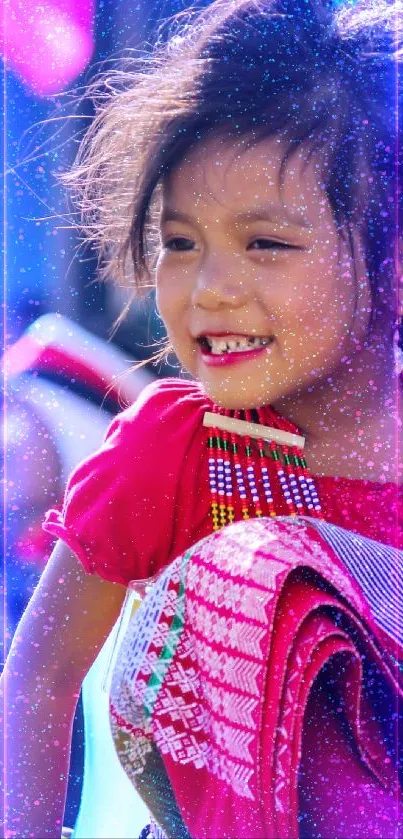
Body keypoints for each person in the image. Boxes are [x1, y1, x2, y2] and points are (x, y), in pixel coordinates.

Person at [1, 0, 403, 836]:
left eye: (265, 243)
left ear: (393, 262)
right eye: (180, 242)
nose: (207, 288)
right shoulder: (176, 450)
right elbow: (41, 678)